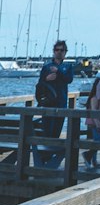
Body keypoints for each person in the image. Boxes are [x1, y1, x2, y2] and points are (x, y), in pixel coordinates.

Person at [35, 40, 74, 168]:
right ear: (54, 51)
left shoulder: (68, 67)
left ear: (65, 52)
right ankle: (44, 159)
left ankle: (48, 159)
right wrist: (46, 78)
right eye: (57, 50)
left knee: (56, 133)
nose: (59, 52)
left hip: (61, 104)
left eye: (62, 50)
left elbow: (69, 80)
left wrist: (58, 72)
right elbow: (40, 84)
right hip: (48, 104)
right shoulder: (46, 67)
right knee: (47, 132)